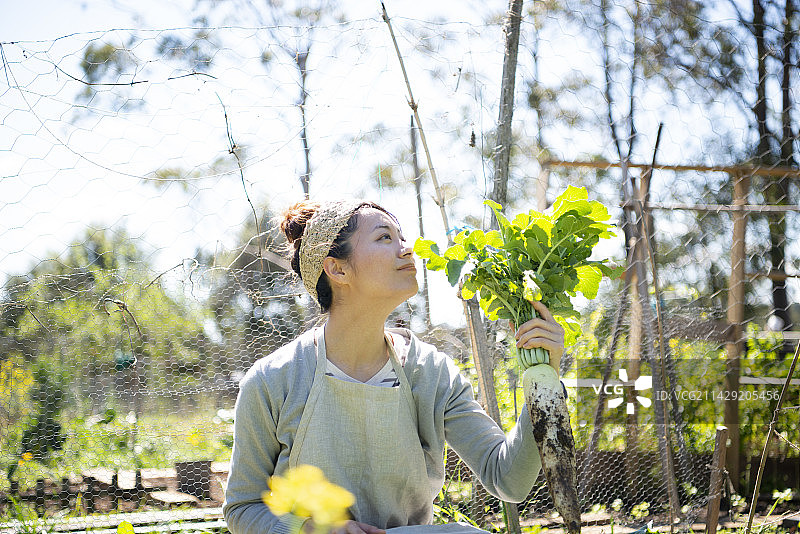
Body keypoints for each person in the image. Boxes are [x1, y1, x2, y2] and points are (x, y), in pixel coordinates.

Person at [223, 199, 565, 534]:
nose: (407, 249)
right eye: (384, 237)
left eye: (401, 237)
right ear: (338, 269)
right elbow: (243, 507)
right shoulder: (273, 380)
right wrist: (310, 529)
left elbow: (507, 478)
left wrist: (542, 382)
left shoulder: (430, 372)